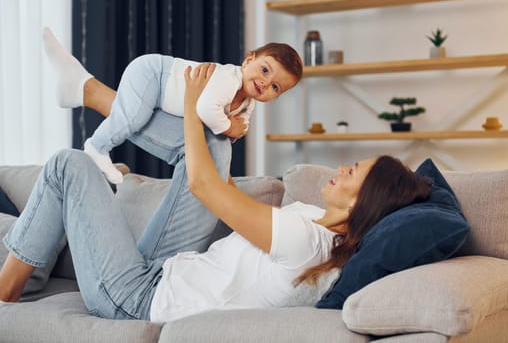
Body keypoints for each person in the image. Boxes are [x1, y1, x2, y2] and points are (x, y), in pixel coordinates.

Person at [0, 62, 431, 322]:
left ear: (361, 202)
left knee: (68, 164)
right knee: (213, 142)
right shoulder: (306, 213)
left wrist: (192, 105)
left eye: (353, 171)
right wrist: (221, 126)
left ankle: (7, 292)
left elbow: (204, 188)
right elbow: (218, 186)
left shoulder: (308, 245)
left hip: (139, 299)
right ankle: (102, 99)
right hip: (168, 269)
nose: (340, 168)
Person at [43, 27, 303, 184]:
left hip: (162, 92)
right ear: (248, 60)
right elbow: (205, 110)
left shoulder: (246, 102)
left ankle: (80, 88)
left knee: (137, 116)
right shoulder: (228, 78)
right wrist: (228, 128)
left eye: (275, 87)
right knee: (133, 117)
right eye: (265, 70)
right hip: (154, 74)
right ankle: (96, 146)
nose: (265, 83)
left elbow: (236, 129)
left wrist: (235, 130)